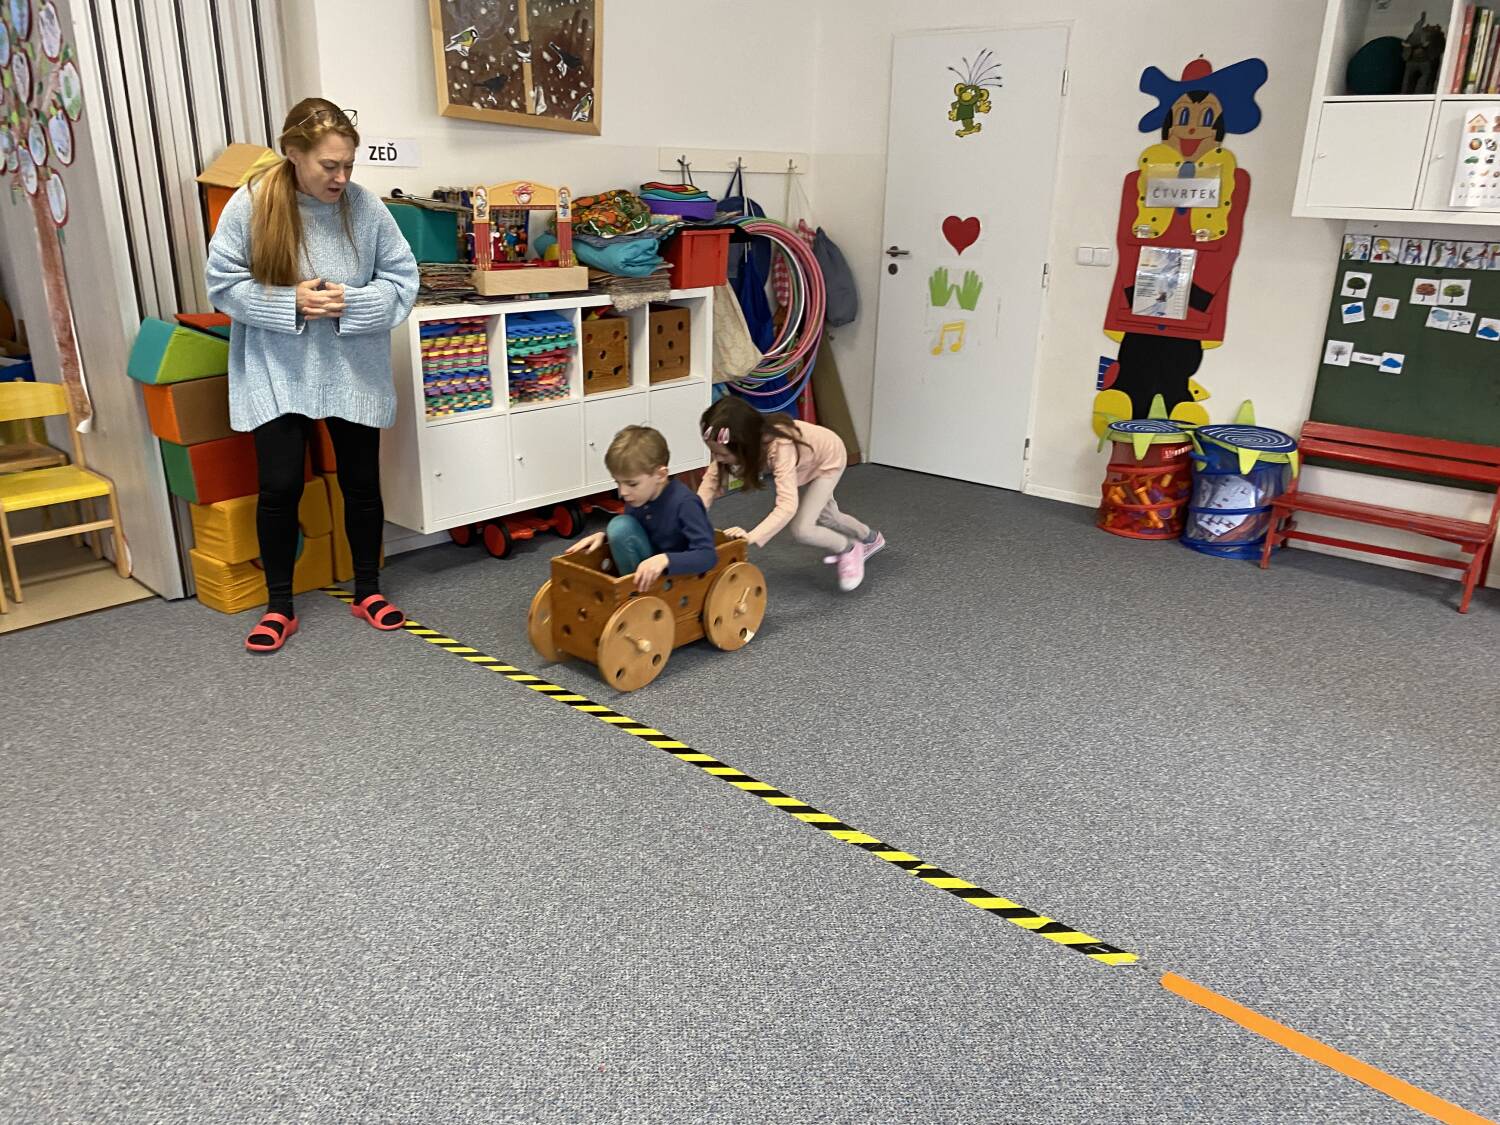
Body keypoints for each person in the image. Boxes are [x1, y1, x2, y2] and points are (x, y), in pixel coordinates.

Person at [205, 97, 418, 653]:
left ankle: (369, 591)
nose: (342, 177)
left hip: (352, 370)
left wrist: (351, 302)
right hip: (277, 371)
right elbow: (222, 285)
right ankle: (279, 607)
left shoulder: (365, 207)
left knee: (361, 485)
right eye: (329, 165)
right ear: (293, 153)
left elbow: (404, 282)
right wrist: (289, 302)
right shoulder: (252, 203)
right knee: (279, 489)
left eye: (349, 164)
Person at [696, 395, 882, 592]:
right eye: (713, 452)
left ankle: (849, 549)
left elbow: (786, 506)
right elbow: (709, 484)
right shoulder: (734, 446)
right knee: (829, 517)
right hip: (805, 464)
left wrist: (750, 537)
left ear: (745, 445)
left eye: (722, 454)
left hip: (828, 459)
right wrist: (691, 518)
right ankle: (871, 538)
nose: (717, 458)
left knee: (803, 529)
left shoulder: (781, 447)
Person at [567, 426, 716, 591]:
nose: (623, 492)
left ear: (660, 475)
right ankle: (633, 591)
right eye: (618, 483)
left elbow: (707, 556)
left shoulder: (686, 503)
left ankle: (635, 593)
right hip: (650, 573)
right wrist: (605, 537)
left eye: (632, 484)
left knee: (621, 526)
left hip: (680, 580)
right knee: (620, 525)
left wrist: (666, 560)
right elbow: (636, 533)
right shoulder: (638, 498)